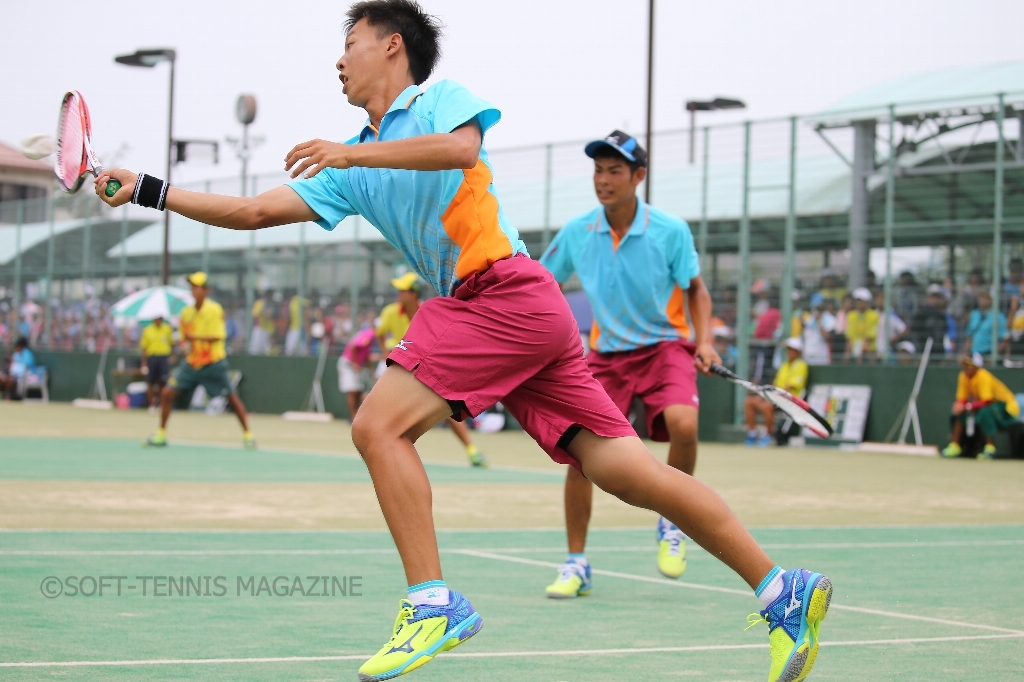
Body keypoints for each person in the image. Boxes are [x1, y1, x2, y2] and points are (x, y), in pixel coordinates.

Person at [94, 3, 831, 680]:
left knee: (377, 426)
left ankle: (431, 602)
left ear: (392, 47)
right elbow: (253, 211)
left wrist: (351, 157)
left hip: (498, 297)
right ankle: (781, 588)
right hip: (522, 317)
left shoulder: (434, 103)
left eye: (348, 45)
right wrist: (150, 189)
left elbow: (459, 151)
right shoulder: (349, 164)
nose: (339, 61)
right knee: (626, 473)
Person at [539, 130, 718, 595]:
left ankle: (671, 521)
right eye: (598, 170)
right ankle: (576, 563)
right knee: (579, 457)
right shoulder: (578, 232)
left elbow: (696, 289)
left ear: (639, 176)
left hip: (664, 348)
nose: (604, 180)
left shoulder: (670, 231)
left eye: (615, 170)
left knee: (684, 424)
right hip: (605, 357)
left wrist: (706, 341)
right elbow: (542, 284)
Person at [376, 272, 487, 466]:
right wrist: (387, 352)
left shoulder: (429, 310)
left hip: (427, 368)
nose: (399, 294)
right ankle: (389, 450)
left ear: (414, 294)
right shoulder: (390, 312)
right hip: (400, 367)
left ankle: (472, 451)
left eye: (403, 290)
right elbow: (380, 334)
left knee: (447, 411)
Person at [145, 273, 255, 450]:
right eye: (192, 287)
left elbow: (218, 336)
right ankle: (161, 434)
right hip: (191, 363)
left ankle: (248, 436)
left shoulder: (215, 310)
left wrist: (193, 338)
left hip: (213, 362)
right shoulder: (186, 313)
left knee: (232, 398)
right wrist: (183, 344)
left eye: (197, 287)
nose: (193, 291)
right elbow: (183, 338)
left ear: (206, 290)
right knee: (167, 394)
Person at [941, 352, 1020, 460]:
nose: (965, 368)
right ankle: (955, 446)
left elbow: (986, 401)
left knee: (984, 412)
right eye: (964, 365)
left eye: (968, 365)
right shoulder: (963, 376)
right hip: (989, 406)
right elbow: (962, 398)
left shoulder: (983, 376)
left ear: (976, 366)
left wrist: (966, 406)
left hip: (1006, 408)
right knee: (959, 413)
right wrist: (959, 405)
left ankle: (990, 449)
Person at [744, 338, 809, 446]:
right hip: (776, 398)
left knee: (767, 406)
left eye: (791, 349)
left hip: (790, 402)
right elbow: (775, 385)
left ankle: (769, 436)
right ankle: (752, 434)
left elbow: (789, 386)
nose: (788, 352)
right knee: (749, 402)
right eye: (788, 349)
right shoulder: (784, 366)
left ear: (798, 352)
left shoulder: (801, 365)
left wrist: (772, 396)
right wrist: (764, 395)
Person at [339, 326, 378, 419]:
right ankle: (353, 418)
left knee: (358, 391)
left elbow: (366, 358)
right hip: (349, 364)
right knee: (352, 391)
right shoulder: (370, 334)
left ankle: (356, 417)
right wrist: (355, 363)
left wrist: (373, 373)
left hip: (354, 365)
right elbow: (353, 347)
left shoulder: (371, 338)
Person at [139, 315, 175, 412]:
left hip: (163, 358)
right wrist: (144, 363)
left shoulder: (167, 328)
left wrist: (173, 355)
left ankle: (161, 405)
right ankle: (151, 406)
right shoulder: (148, 330)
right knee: (151, 383)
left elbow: (172, 343)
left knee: (162, 383)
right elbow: (144, 348)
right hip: (152, 358)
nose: (158, 320)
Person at [963, 290, 1008, 357]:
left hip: (989, 352)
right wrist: (965, 352)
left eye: (985, 298)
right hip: (974, 352)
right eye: (980, 298)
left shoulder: (998, 316)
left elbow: (1005, 338)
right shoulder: (974, 314)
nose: (982, 300)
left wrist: (995, 355)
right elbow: (969, 336)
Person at [910, 284, 952, 357]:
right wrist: (919, 352)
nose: (935, 299)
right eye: (933, 296)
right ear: (927, 297)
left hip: (938, 353)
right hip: (924, 352)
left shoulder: (942, 315)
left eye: (937, 297)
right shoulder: (920, 314)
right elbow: (915, 333)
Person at [800, 293, 835, 366]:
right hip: (807, 356)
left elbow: (827, 337)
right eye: (815, 307)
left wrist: (819, 322)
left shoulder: (830, 319)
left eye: (819, 307)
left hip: (822, 357)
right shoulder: (809, 319)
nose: (816, 310)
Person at [844, 287, 878, 362]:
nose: (860, 303)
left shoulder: (874, 315)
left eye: (862, 301)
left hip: (869, 350)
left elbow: (870, 335)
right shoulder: (851, 315)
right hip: (855, 350)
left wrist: (860, 350)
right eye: (858, 301)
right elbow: (850, 335)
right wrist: (847, 353)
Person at [286, 291, 310, 356]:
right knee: (301, 351)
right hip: (297, 329)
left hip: (296, 329)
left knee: (291, 351)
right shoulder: (296, 300)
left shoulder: (293, 301)